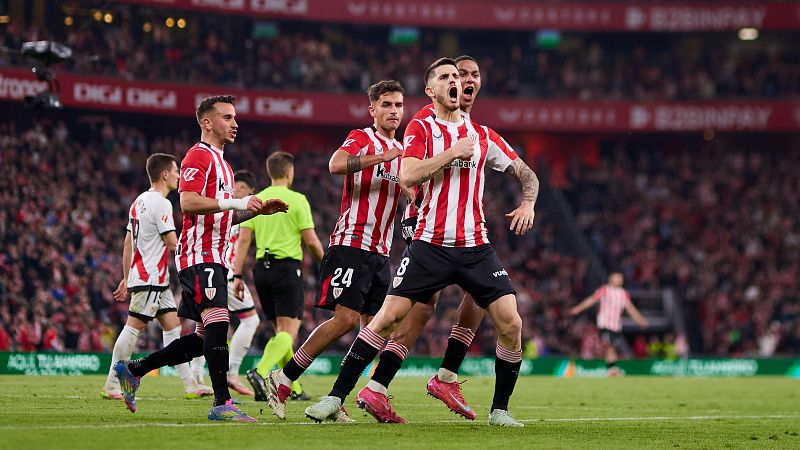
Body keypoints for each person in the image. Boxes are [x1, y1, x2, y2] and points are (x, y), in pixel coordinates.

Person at [304, 58, 539, 428]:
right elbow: (407, 172)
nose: (455, 81)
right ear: (431, 90)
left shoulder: (483, 135)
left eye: (457, 76)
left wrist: (528, 201)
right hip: (429, 244)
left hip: (476, 246)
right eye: (445, 77)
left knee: (511, 322)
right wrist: (452, 153)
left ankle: (499, 410)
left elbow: (527, 174)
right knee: (386, 318)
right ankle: (334, 397)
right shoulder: (421, 127)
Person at [113, 95, 289, 422]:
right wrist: (239, 203)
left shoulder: (223, 163)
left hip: (215, 257)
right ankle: (222, 402)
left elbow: (220, 217)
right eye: (227, 117)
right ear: (207, 123)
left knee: (202, 338)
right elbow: (189, 203)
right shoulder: (199, 155)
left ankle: (133, 369)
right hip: (199, 255)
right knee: (219, 323)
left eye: (235, 117)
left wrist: (256, 212)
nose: (235, 123)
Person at [357, 55, 507, 423]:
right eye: (458, 75)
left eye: (472, 74)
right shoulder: (427, 119)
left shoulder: (477, 129)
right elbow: (409, 172)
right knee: (421, 305)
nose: (465, 80)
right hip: (425, 221)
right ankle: (379, 384)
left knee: (478, 294)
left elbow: (517, 168)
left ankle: (445, 376)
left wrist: (529, 197)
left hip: (469, 232)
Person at [262, 80, 407, 422]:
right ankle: (283, 379)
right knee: (343, 320)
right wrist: (380, 157)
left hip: (380, 251)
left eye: (398, 105)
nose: (393, 111)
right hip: (351, 243)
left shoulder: (402, 152)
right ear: (373, 110)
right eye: (386, 104)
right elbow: (335, 164)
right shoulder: (362, 137)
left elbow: (407, 190)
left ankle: (338, 398)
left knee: (373, 330)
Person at [101, 153, 212, 400]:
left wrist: (126, 276)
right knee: (133, 328)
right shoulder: (162, 203)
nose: (179, 176)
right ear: (164, 174)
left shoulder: (138, 202)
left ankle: (190, 385)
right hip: (150, 276)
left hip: (153, 279)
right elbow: (172, 243)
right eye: (176, 171)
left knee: (173, 327)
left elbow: (128, 242)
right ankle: (111, 384)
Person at [236, 152, 324, 400]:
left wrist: (237, 275)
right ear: (289, 172)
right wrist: (326, 263)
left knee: (281, 334)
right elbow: (311, 241)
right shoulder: (297, 200)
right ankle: (261, 372)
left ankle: (293, 388)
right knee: (290, 332)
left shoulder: (257, 199)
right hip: (286, 268)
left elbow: (243, 241)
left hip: (260, 272)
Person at [188, 170, 263, 396]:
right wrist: (238, 275)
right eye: (235, 187)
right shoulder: (231, 209)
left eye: (242, 189)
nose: (237, 191)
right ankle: (232, 372)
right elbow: (241, 243)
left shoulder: (239, 212)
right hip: (224, 272)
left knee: (205, 326)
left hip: (214, 271)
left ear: (252, 193)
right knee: (250, 320)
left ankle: (196, 375)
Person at [569, 272, 649, 375]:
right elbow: (592, 300)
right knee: (609, 346)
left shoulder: (624, 294)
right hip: (605, 324)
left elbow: (630, 309)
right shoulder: (604, 290)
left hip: (616, 326)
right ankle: (612, 370)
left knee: (612, 348)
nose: (620, 279)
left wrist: (640, 320)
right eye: (617, 277)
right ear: (611, 279)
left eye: (621, 278)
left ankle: (611, 369)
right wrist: (578, 308)